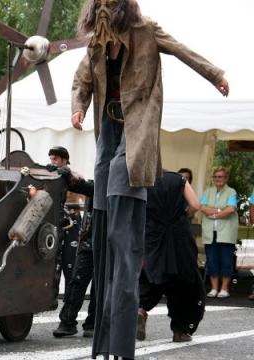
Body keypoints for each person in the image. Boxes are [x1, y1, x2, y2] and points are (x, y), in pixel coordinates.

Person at [70, 1, 229, 358]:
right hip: (108, 126)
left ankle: (124, 327)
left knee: (120, 175)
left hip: (137, 123)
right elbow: (82, 79)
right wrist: (78, 107)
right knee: (103, 185)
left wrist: (215, 74)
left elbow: (183, 51)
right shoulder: (97, 41)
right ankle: (103, 330)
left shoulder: (146, 31)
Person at [137, 171, 204, 343]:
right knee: (183, 281)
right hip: (178, 235)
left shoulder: (142, 179)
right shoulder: (178, 179)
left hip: (152, 234)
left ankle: (141, 308)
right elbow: (195, 205)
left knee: (152, 275)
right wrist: (182, 217)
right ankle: (180, 330)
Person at [53, 193, 97, 339]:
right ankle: (67, 322)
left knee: (98, 284)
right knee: (77, 280)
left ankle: (92, 323)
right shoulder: (99, 182)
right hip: (88, 238)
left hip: (103, 239)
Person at [199, 166, 238, 298]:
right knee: (212, 260)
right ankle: (214, 288)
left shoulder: (231, 192)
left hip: (226, 233)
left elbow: (231, 209)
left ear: (226, 178)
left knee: (226, 261)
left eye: (220, 176)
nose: (217, 179)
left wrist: (215, 213)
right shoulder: (208, 191)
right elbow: (202, 207)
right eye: (215, 177)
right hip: (210, 233)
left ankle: (224, 288)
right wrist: (221, 210)